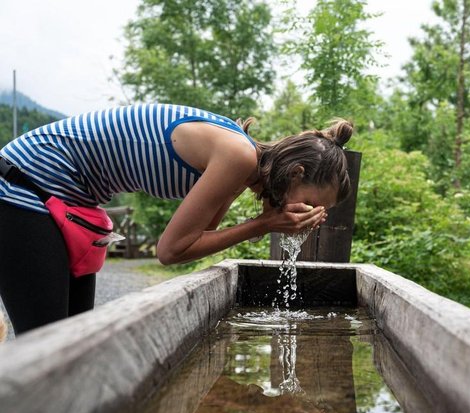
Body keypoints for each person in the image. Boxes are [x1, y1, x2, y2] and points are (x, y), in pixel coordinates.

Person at [0, 103, 352, 335]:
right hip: (25, 183)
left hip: (62, 198)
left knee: (74, 341)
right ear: (296, 173)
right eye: (309, 202)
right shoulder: (237, 155)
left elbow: (199, 238)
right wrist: (262, 225)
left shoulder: (242, 166)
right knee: (47, 344)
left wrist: (264, 216)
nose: (308, 214)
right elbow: (170, 251)